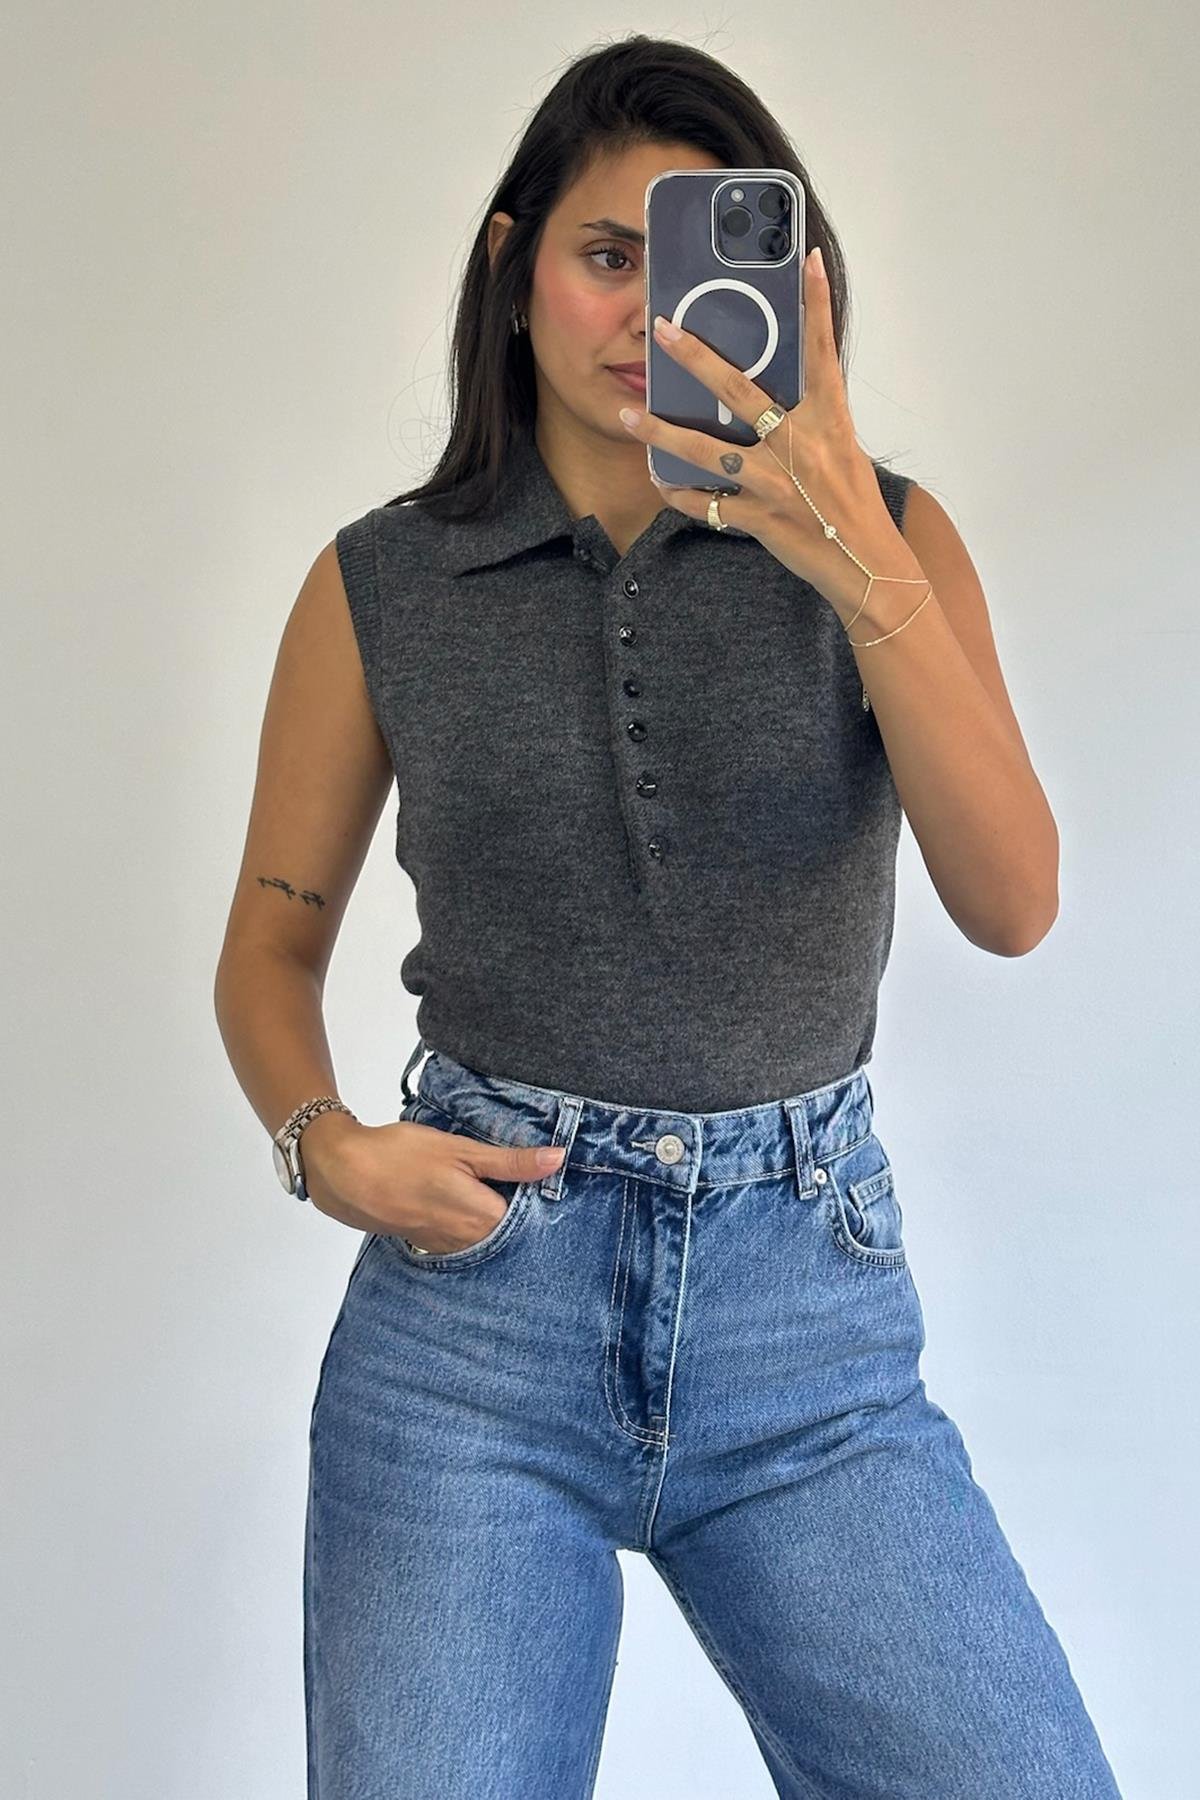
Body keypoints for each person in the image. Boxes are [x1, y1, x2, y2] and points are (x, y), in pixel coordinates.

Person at [214, 34, 1124, 1800]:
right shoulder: (382, 582)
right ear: (513, 270)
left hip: (808, 1340)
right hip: (475, 1336)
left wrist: (849, 547)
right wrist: (322, 1145)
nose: (648, 309)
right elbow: (269, 939)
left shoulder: (890, 543)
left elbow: (1014, 901)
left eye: (697, 259)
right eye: (604, 255)